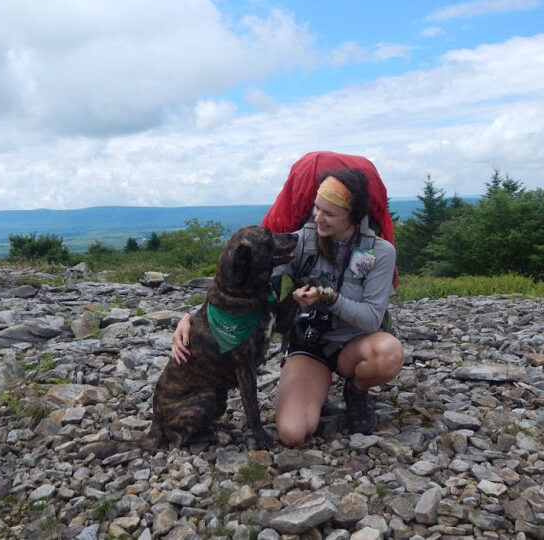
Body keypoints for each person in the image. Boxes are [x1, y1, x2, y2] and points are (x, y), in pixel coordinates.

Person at [172, 168, 404, 447]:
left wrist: (328, 298)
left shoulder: (379, 252)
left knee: (389, 352)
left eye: (329, 214)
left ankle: (356, 390)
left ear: (353, 216)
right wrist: (193, 317)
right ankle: (319, 393)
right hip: (311, 346)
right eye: (317, 209)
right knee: (292, 433)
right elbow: (242, 279)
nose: (318, 218)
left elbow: (370, 319)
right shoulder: (303, 241)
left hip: (355, 343)